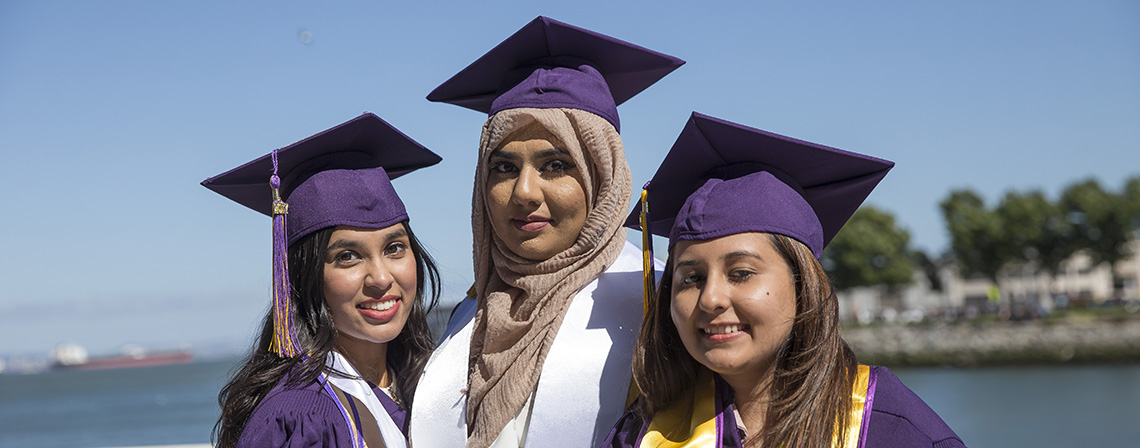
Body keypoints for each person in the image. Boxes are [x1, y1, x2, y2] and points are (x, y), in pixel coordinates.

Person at [602, 112, 966, 448]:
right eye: (691, 278)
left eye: (740, 273)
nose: (710, 298)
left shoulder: (886, 428)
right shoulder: (647, 432)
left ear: (802, 285)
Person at [409, 16, 684, 448]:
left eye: (556, 166)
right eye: (504, 168)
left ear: (603, 177)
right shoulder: (472, 315)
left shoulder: (662, 307)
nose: (523, 192)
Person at [203, 113, 443, 448]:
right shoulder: (301, 417)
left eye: (394, 248)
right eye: (348, 256)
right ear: (307, 276)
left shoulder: (433, 382)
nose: (381, 277)